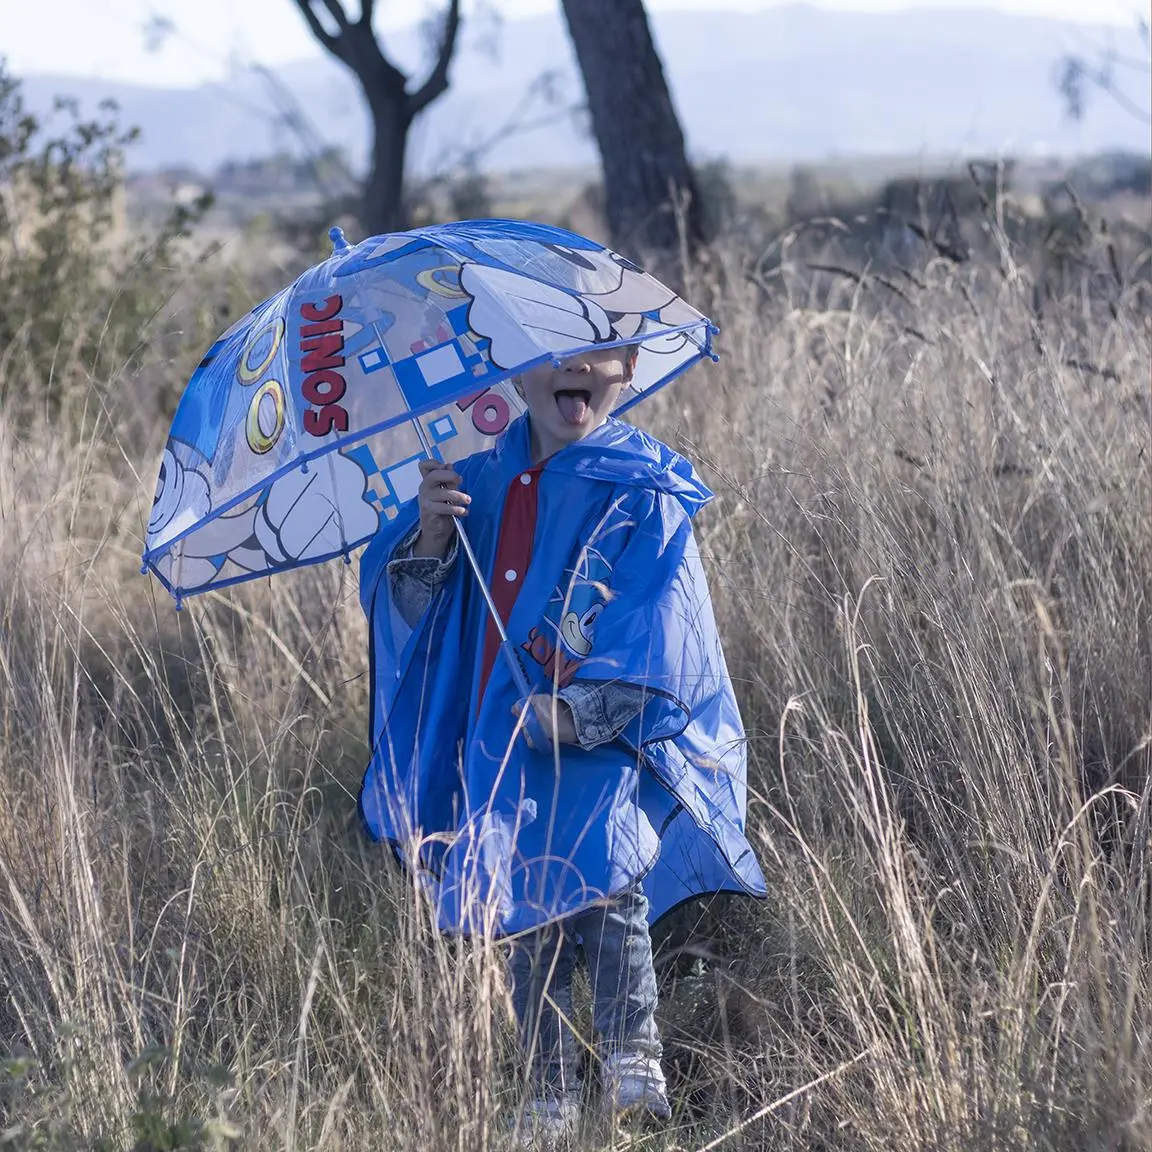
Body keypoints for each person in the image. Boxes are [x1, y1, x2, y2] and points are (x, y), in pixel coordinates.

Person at [357, 343, 766, 1144]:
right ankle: (545, 1089)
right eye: (553, 355)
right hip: (497, 740)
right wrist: (433, 534)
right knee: (520, 911)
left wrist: (581, 710)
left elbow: (662, 614)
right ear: (516, 371)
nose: (575, 369)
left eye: (599, 353)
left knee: (609, 888)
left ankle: (632, 1064)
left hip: (594, 737)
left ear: (629, 370)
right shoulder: (472, 484)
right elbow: (409, 601)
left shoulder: (639, 486)